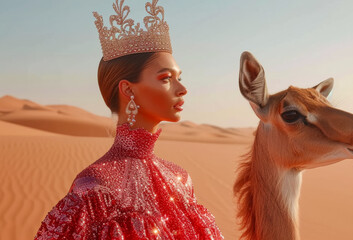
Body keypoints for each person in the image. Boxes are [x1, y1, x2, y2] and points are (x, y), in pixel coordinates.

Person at [34, 0, 224, 239]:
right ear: (128, 90)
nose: (182, 88)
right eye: (166, 78)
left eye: (179, 77)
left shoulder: (181, 180)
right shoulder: (94, 186)